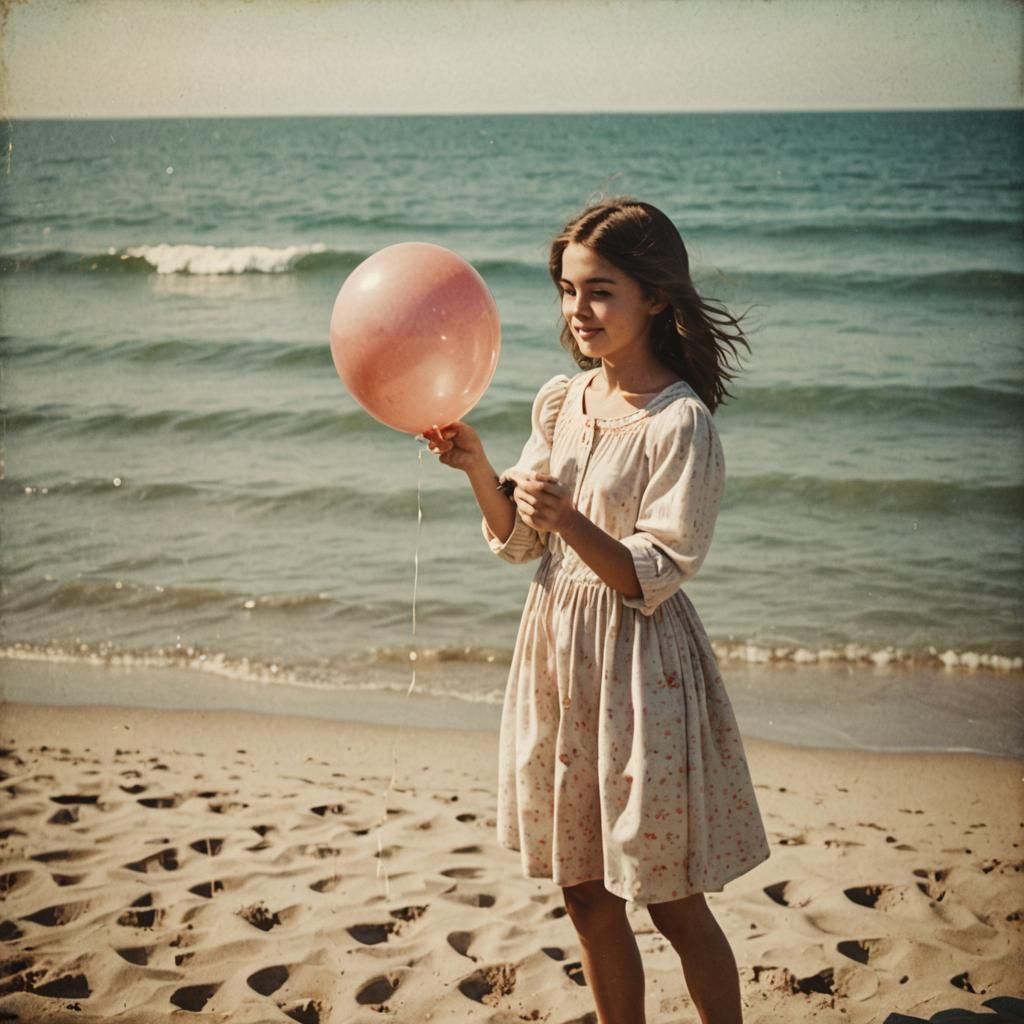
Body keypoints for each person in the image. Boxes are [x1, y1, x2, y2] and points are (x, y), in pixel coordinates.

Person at [424, 198, 770, 1024]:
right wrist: (479, 468)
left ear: (655, 296)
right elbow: (519, 544)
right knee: (583, 890)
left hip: (640, 673)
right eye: (568, 290)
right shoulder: (562, 400)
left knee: (668, 895)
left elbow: (651, 572)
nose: (579, 310)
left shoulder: (680, 422)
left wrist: (570, 516)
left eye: (601, 291)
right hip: (557, 658)